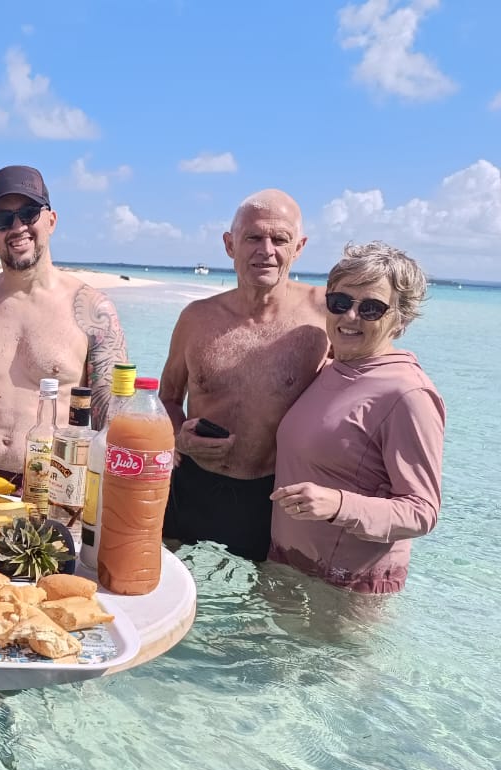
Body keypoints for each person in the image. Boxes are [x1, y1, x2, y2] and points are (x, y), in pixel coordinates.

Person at [159, 188, 330, 561]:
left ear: (299, 247)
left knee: (264, 599)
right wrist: (177, 436)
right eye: (253, 237)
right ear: (229, 244)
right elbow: (168, 398)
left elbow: (373, 367)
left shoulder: (327, 314)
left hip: (273, 497)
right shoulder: (196, 318)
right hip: (190, 485)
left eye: (279, 239)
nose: (266, 250)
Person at [268, 242, 444, 593]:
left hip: (347, 586)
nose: (350, 316)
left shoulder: (408, 393)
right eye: (340, 302)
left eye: (371, 308)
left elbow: (422, 511)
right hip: (289, 564)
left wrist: (338, 504)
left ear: (401, 319)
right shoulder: (332, 367)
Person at [0, 165, 128, 486]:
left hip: (55, 484)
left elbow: (112, 420)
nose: (18, 227)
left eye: (29, 214)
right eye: (3, 219)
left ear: (51, 221)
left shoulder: (93, 310)